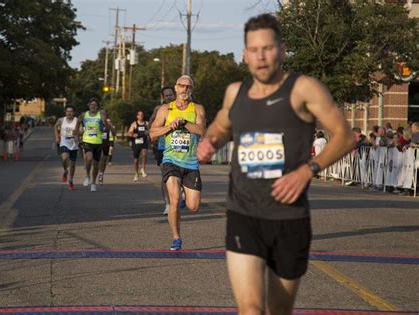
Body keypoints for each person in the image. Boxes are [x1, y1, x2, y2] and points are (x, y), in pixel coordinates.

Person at [196, 14, 354, 315]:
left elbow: (345, 137)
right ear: (244, 55)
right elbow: (220, 126)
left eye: (268, 48)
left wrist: (309, 170)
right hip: (244, 213)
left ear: (281, 50)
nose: (261, 56)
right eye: (254, 50)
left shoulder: (303, 89)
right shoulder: (235, 93)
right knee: (251, 309)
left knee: (278, 311)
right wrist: (211, 141)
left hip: (288, 218)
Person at [150, 75, 206, 251]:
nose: (185, 90)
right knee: (174, 200)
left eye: (188, 87)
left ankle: (184, 191)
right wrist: (170, 126)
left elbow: (201, 130)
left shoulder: (197, 108)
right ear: (176, 88)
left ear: (192, 90)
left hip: (190, 164)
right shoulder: (165, 109)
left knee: (193, 206)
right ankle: (176, 238)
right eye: (181, 86)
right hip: (171, 160)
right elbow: (152, 133)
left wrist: (185, 122)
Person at [149, 86, 176, 215]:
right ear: (163, 97)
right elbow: (151, 125)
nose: (169, 97)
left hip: (180, 147)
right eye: (166, 95)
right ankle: (167, 204)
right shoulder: (159, 109)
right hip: (163, 146)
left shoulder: (183, 107)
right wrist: (153, 135)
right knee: (165, 176)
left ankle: (177, 196)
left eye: (171, 94)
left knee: (179, 175)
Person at [76, 98, 106, 192]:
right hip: (87, 140)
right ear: (88, 105)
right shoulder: (84, 114)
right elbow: (77, 123)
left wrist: (105, 123)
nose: (93, 106)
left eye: (95, 105)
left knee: (96, 164)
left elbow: (105, 126)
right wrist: (76, 135)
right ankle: (87, 175)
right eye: (91, 104)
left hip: (98, 141)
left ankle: (93, 183)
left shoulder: (100, 115)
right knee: (89, 159)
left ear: (97, 107)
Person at [54, 105, 79, 190]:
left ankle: (71, 180)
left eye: (71, 111)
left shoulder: (77, 121)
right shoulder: (61, 120)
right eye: (67, 111)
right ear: (65, 112)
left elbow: (82, 130)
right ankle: (65, 170)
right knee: (64, 158)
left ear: (74, 112)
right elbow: (55, 126)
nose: (69, 113)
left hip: (73, 144)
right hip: (64, 143)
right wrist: (57, 137)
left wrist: (78, 135)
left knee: (72, 164)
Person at [128, 111, 150, 181]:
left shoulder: (146, 123)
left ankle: (143, 169)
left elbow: (151, 131)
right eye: (139, 115)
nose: (141, 116)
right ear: (137, 116)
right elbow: (129, 132)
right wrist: (132, 134)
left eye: (142, 115)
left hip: (144, 142)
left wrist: (148, 133)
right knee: (136, 160)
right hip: (136, 143)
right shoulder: (134, 124)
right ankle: (136, 173)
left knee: (144, 153)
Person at [97, 118, 117, 184]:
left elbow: (113, 134)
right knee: (99, 159)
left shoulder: (109, 126)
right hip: (97, 143)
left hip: (106, 144)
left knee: (104, 159)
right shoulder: (96, 124)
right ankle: (99, 172)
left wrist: (111, 126)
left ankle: (101, 173)